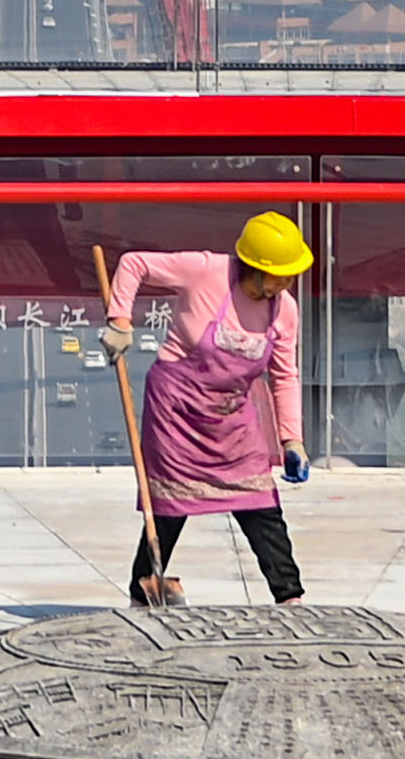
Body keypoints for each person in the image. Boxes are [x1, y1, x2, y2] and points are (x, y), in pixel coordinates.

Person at [104, 214, 314, 607]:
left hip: (233, 413)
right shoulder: (205, 271)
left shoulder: (284, 310)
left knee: (260, 503)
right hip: (177, 409)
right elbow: (135, 263)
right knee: (170, 505)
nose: (287, 283)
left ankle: (290, 598)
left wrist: (292, 440)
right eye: (279, 274)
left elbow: (285, 375)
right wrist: (119, 319)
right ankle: (144, 589)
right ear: (254, 267)